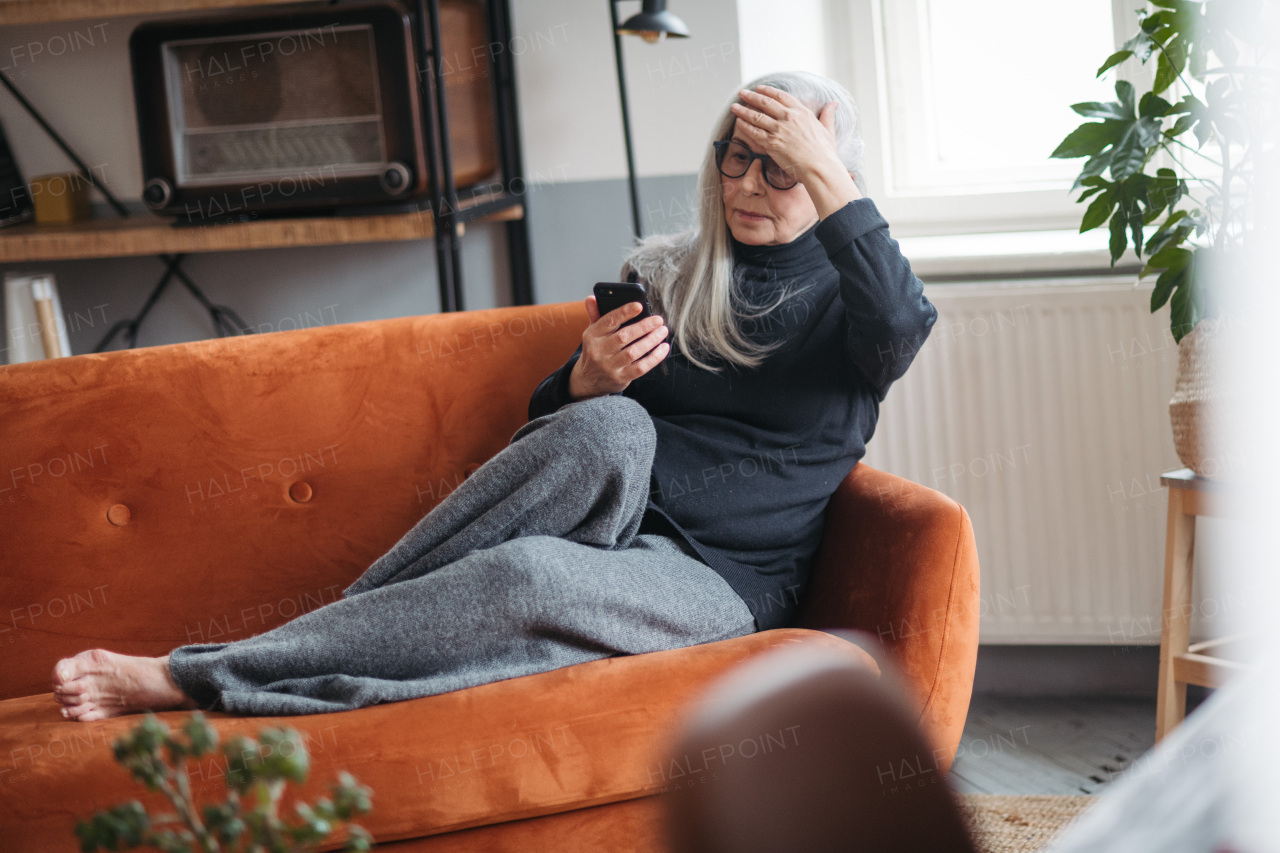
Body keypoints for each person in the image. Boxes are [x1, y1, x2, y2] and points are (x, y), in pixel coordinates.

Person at [50, 70, 935, 721]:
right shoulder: (669, 272)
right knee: (612, 427)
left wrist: (824, 166)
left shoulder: (855, 301)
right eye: (737, 159)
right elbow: (550, 447)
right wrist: (584, 379)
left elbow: (904, 322)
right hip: (614, 513)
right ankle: (332, 632)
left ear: (824, 178)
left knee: (521, 574)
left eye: (780, 169)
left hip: (719, 578)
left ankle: (194, 673)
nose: (748, 186)